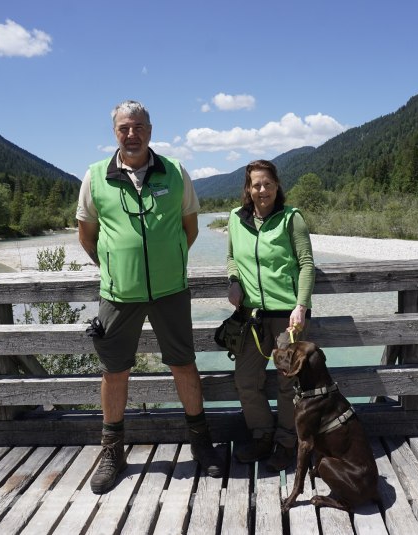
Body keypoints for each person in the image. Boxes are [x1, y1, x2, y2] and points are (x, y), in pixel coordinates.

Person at [76, 100, 223, 494]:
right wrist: (114, 265)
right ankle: (111, 451)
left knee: (184, 363)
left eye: (139, 126)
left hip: (170, 290)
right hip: (118, 294)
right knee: (114, 371)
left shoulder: (175, 172)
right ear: (115, 132)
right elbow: (87, 235)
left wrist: (166, 260)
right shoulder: (94, 176)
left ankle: (201, 443)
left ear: (150, 130)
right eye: (124, 127)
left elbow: (189, 229)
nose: (132, 133)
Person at [226, 159, 315, 472]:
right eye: (255, 185)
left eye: (267, 184)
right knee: (246, 379)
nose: (261, 190)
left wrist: (301, 305)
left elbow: (306, 264)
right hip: (252, 317)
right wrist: (234, 281)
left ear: (277, 186)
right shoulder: (236, 219)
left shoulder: (292, 218)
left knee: (286, 384)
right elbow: (231, 259)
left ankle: (287, 442)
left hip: (287, 316)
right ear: (247, 189)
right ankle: (262, 436)